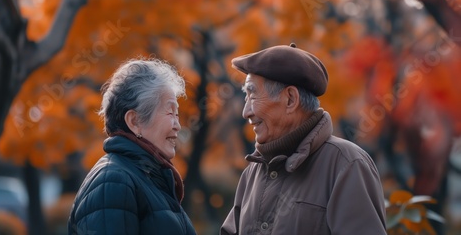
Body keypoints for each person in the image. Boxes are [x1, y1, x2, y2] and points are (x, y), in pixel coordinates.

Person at [221, 43, 387, 234]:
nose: (245, 112)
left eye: (253, 95)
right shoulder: (252, 172)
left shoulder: (347, 164)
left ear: (290, 99)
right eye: (246, 97)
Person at [68, 58, 196, 235]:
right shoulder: (113, 181)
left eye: (177, 114)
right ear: (134, 121)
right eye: (170, 112)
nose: (178, 125)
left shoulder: (147, 178)